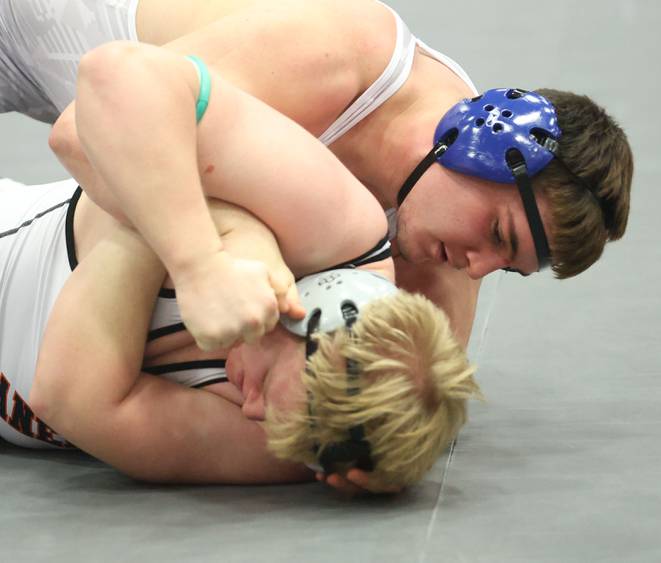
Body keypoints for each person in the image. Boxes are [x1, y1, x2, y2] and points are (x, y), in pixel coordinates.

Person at [0, 0, 634, 350]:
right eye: (499, 236)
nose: (476, 268)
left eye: (506, 269)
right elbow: (85, 133)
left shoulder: (449, 232)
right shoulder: (346, 52)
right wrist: (217, 251)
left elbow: (418, 388)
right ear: (481, 143)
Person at [1, 176, 482, 491]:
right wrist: (208, 241)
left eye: (282, 427)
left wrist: (170, 221)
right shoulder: (318, 218)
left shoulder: (293, 441)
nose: (250, 412)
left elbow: (75, 401)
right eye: (268, 385)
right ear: (310, 308)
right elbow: (112, 138)